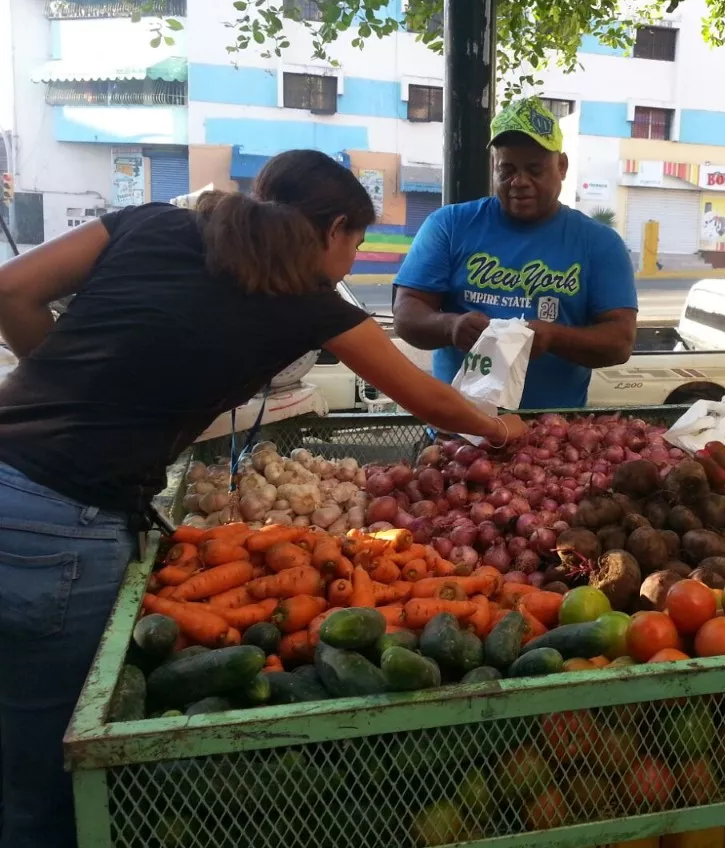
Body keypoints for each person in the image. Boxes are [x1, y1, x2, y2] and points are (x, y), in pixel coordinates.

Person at [0, 149, 527, 848]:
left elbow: (10, 291)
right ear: (334, 227)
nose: (354, 256)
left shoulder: (150, 223)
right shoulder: (306, 299)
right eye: (358, 240)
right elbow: (419, 394)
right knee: (47, 775)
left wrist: (75, 385)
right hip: (66, 526)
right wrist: (496, 426)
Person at [393, 98, 638, 409]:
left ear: (561, 166)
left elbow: (620, 341)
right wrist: (451, 326)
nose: (519, 182)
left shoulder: (600, 243)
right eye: (507, 169)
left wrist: (552, 337)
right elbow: (406, 314)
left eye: (534, 169)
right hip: (456, 436)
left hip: (552, 440)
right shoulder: (449, 225)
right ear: (494, 167)